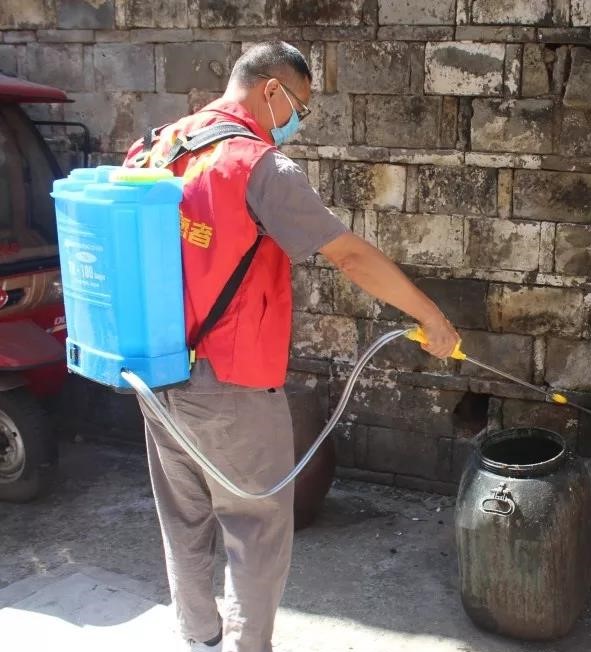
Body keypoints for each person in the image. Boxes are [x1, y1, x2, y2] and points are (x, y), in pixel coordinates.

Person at [122, 41, 459, 652]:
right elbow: (348, 255)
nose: (297, 123)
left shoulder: (158, 146)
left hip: (155, 373)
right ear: (271, 90)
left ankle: (199, 638)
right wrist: (430, 316)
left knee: (184, 519)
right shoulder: (257, 165)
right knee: (255, 529)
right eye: (299, 108)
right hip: (231, 384)